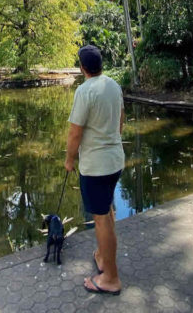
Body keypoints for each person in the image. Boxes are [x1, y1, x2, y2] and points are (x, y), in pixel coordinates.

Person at [65, 44, 124, 296]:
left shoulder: (84, 91)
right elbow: (121, 120)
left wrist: (69, 160)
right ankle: (102, 256)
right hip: (115, 162)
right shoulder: (114, 85)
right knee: (108, 212)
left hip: (96, 168)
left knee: (101, 219)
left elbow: (75, 132)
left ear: (82, 68)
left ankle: (110, 278)